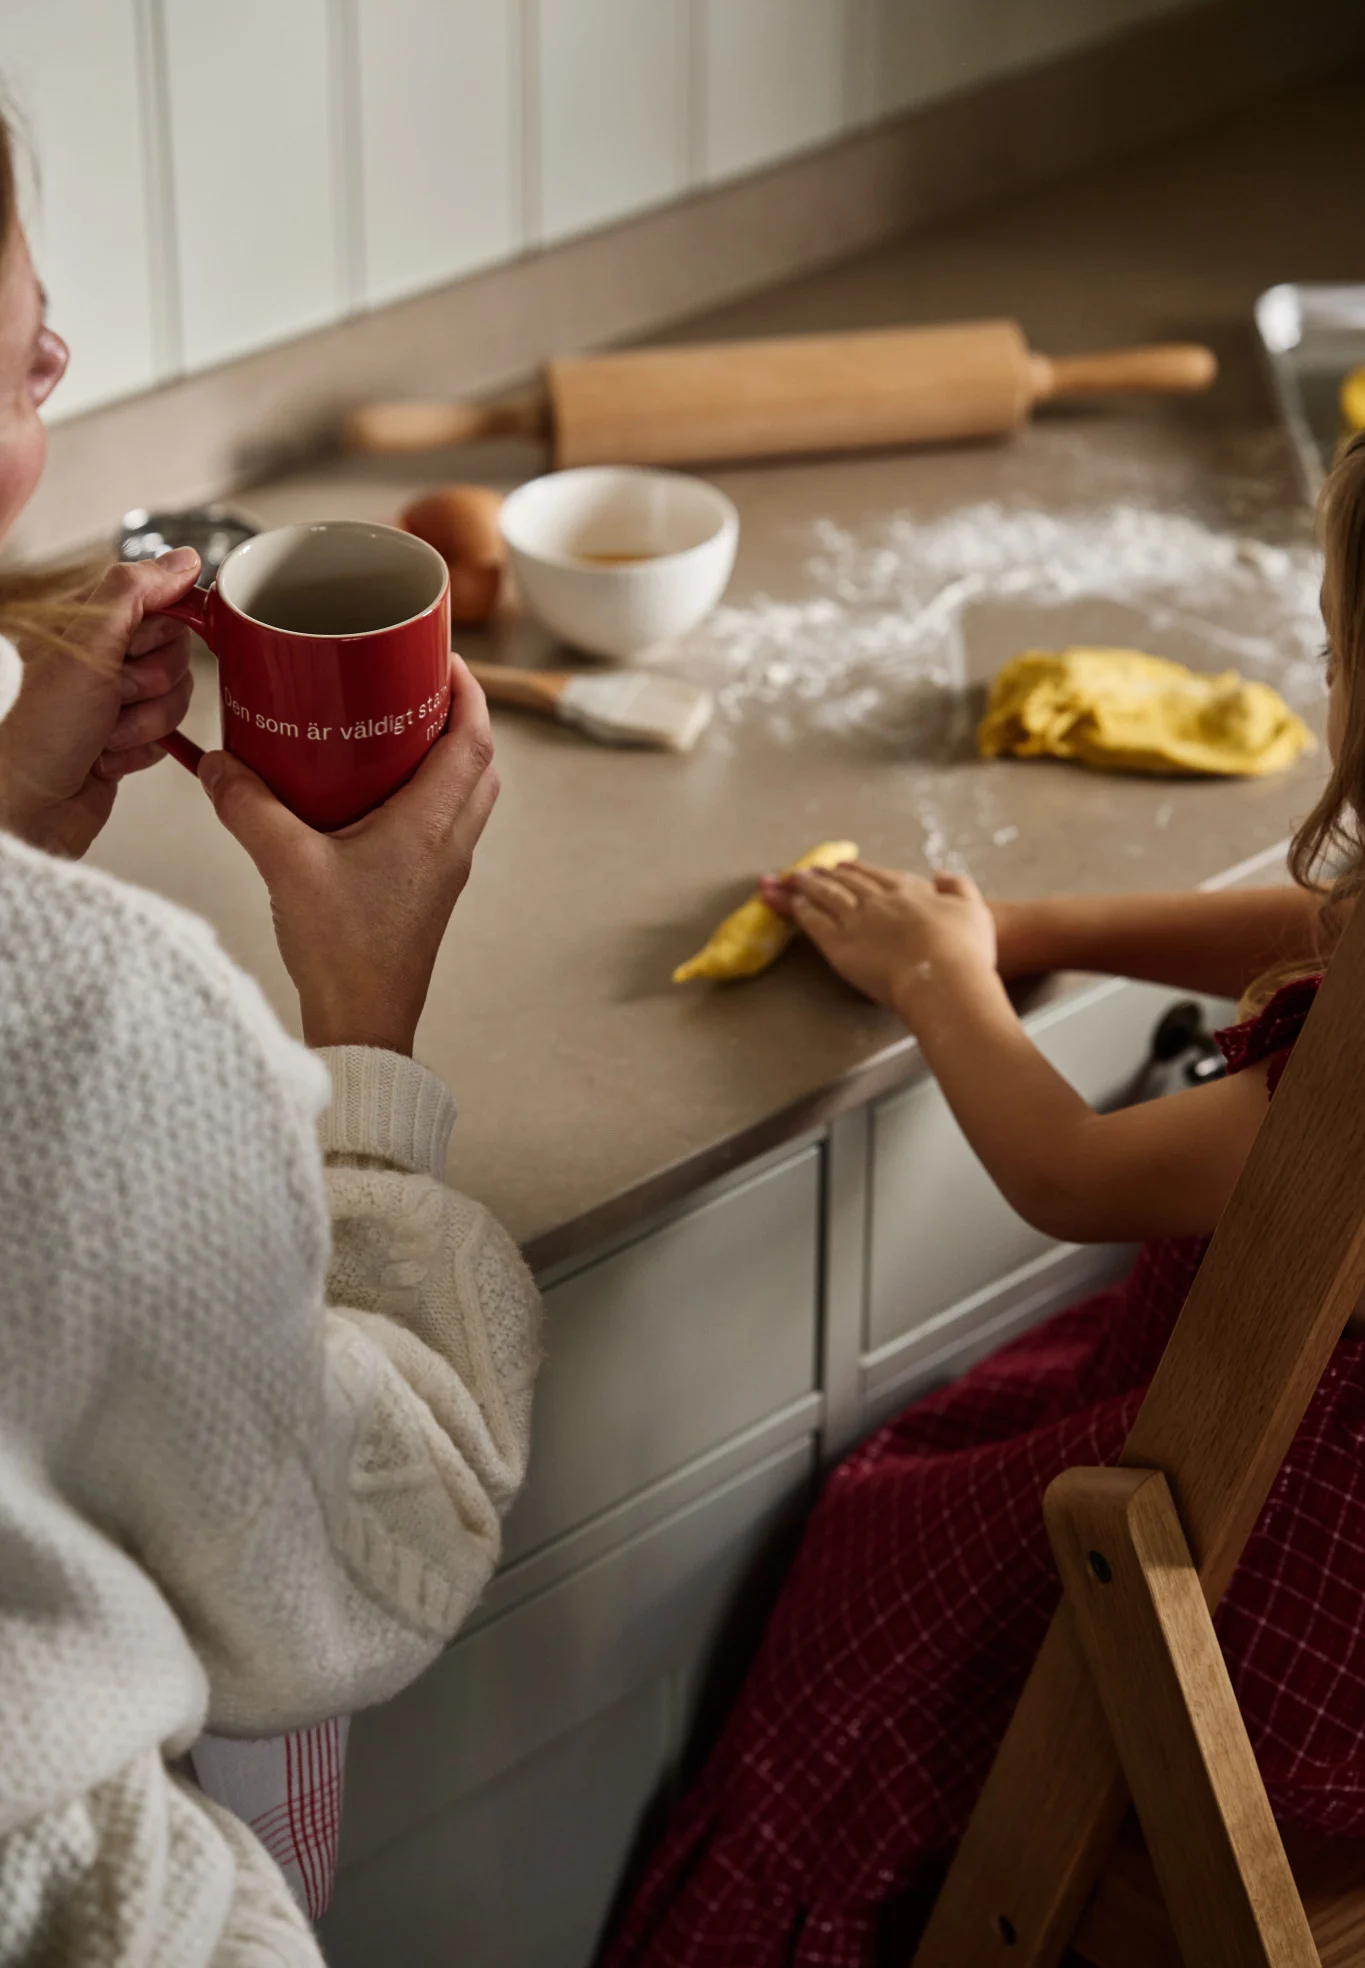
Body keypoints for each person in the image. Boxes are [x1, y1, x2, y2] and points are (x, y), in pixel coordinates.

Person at [605, 439, 1365, 1968]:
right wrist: (1035, 923)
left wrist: (940, 982)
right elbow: (1332, 939)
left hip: (1286, 1671)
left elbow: (1069, 1176)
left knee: (871, 1579)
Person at [0, 119, 541, 1962]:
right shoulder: (100, 1031)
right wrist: (365, 1046)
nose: (58, 356)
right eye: (17, 338)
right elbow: (355, 1571)